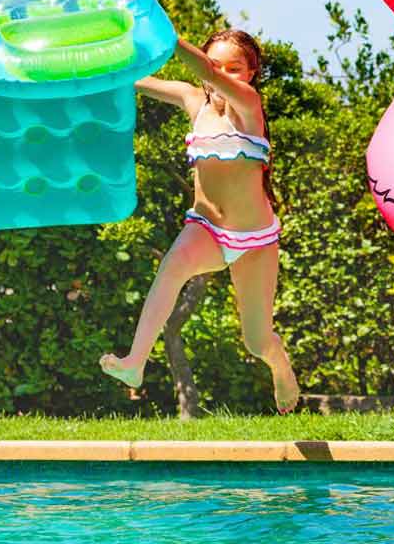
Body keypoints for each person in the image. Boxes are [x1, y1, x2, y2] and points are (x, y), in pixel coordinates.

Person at [100, 29, 300, 413]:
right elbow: (133, 79)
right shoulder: (195, 101)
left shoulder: (248, 104)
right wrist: (97, 63)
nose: (224, 74)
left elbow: (206, 71)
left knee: (256, 341)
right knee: (171, 267)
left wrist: (168, 38)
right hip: (206, 229)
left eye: (235, 68)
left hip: (255, 239)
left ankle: (280, 367)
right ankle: (134, 363)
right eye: (218, 65)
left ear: (252, 73)